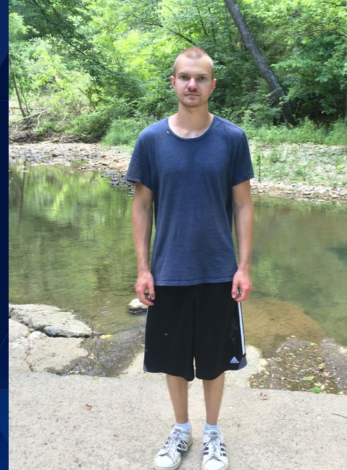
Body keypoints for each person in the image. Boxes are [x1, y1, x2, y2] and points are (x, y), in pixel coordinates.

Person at [125, 46, 255, 470]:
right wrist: (143, 269)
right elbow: (142, 205)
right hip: (169, 271)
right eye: (185, 77)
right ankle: (181, 430)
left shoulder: (232, 138)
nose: (192, 84)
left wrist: (243, 266)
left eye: (200, 78)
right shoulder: (150, 140)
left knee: (215, 362)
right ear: (173, 82)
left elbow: (243, 204)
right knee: (174, 360)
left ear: (212, 85)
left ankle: (212, 433)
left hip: (218, 271)